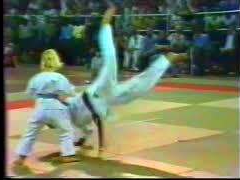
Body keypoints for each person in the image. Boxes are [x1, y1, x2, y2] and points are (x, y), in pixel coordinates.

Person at [55, 4, 188, 150]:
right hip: (109, 99)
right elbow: (88, 130)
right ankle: (167, 60)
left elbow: (88, 114)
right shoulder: (76, 123)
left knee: (110, 58)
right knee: (139, 88)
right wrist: (82, 142)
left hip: (98, 92)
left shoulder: (68, 107)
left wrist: (102, 145)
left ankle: (105, 24)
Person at [12, 49, 80, 173]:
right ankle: (68, 154)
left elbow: (30, 93)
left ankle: (21, 157)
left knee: (30, 132)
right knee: (66, 130)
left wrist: (41, 98)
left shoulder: (36, 78)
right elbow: (69, 92)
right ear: (56, 61)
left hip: (40, 106)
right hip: (56, 107)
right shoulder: (59, 77)